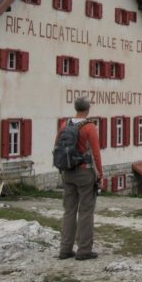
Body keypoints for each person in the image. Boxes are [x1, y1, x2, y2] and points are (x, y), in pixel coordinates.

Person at [57, 96, 104, 260]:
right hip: (84, 171)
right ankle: (84, 250)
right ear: (88, 109)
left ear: (76, 108)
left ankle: (65, 249)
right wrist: (100, 173)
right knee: (85, 211)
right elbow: (96, 152)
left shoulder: (64, 124)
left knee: (69, 210)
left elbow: (57, 146)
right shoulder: (89, 127)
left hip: (67, 171)